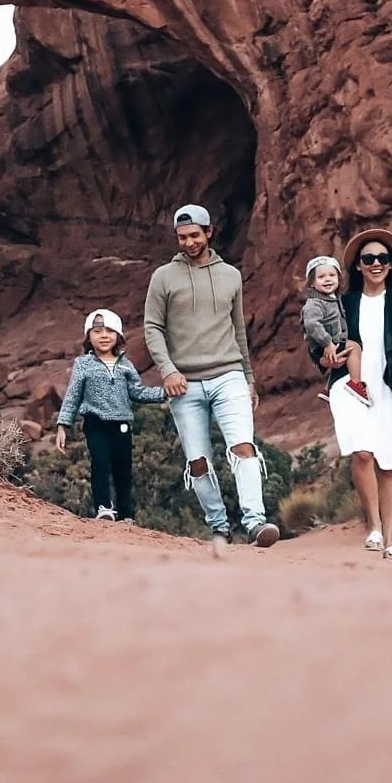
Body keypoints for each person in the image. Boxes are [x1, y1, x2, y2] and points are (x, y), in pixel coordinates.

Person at [143, 204, 279, 549]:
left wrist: (249, 378)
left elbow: (238, 330)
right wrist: (168, 369)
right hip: (184, 382)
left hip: (228, 374)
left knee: (243, 447)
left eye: (193, 235)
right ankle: (219, 526)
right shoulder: (163, 277)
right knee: (198, 461)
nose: (188, 242)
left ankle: (255, 523)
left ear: (209, 232)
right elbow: (152, 327)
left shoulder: (230, 276)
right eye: (181, 237)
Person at [328, 227, 392, 559]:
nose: (375, 263)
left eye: (382, 258)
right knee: (362, 453)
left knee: (388, 464)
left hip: (388, 386)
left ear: (390, 265)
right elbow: (323, 342)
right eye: (368, 258)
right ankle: (371, 527)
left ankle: (389, 540)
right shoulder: (345, 303)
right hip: (349, 384)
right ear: (358, 265)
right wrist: (324, 357)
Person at [54, 308, 167, 522]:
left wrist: (164, 393)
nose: (104, 336)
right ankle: (104, 509)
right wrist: (63, 425)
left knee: (123, 470)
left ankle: (126, 515)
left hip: (122, 424)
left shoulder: (126, 366)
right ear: (89, 336)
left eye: (109, 331)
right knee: (100, 463)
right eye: (97, 331)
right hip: (95, 423)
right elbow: (73, 395)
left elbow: (138, 392)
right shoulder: (83, 364)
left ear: (119, 336)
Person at [299, 256, 368, 404]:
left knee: (343, 358)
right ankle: (356, 383)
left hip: (333, 339)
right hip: (324, 343)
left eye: (332, 275)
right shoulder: (314, 303)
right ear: (312, 282)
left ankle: (328, 388)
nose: (328, 279)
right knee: (354, 347)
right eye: (321, 277)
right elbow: (311, 325)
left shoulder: (334, 298)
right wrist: (327, 343)